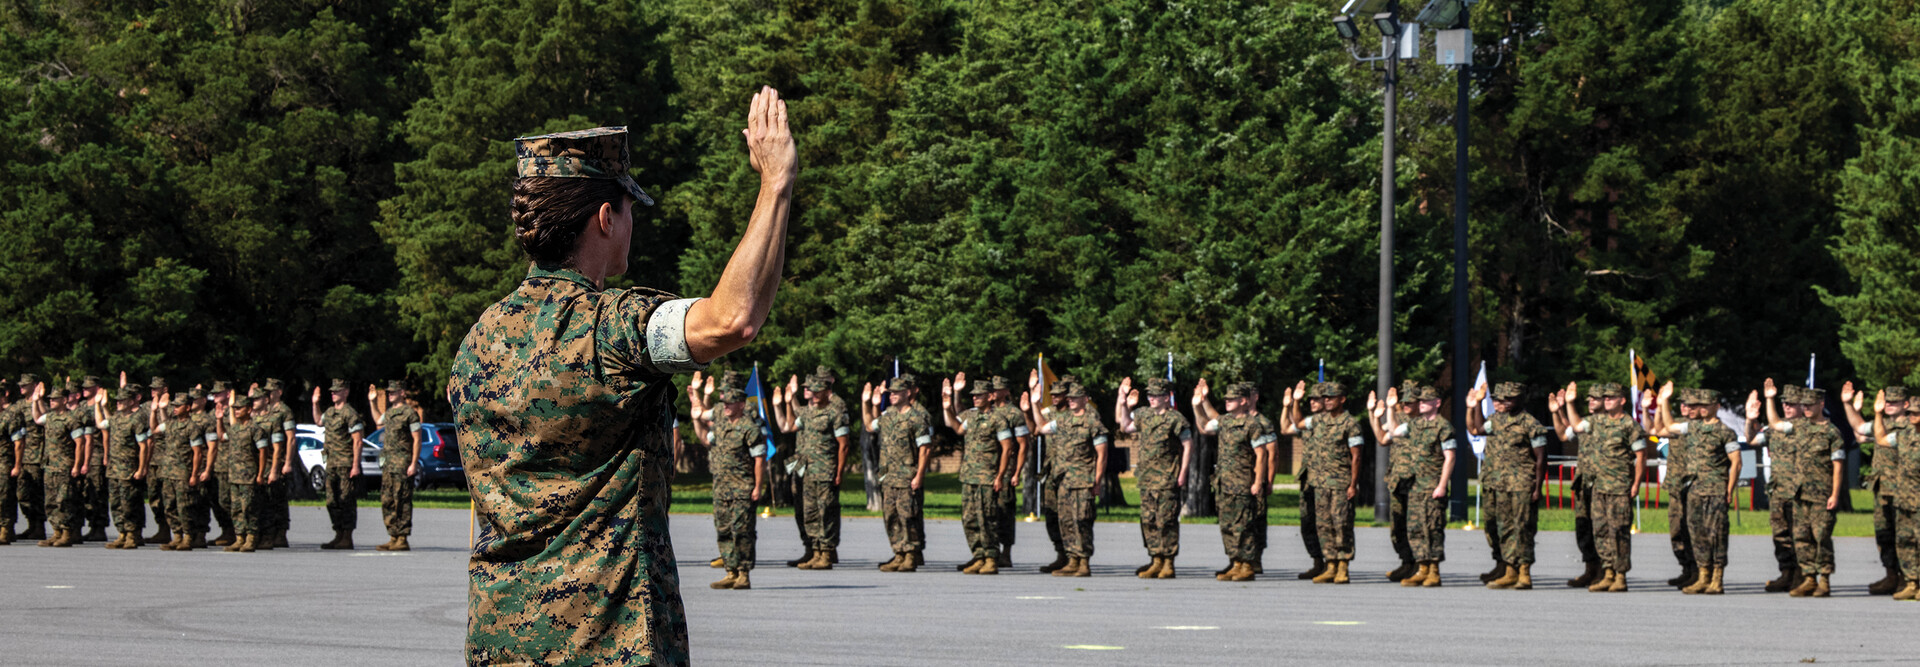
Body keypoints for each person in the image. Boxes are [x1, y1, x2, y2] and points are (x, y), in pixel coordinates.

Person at [452, 86, 795, 665]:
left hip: (500, 636)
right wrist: (775, 185)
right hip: (606, 641)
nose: (633, 223)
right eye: (631, 209)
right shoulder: (612, 327)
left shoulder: (477, 340)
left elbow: (482, 506)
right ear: (606, 218)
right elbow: (730, 321)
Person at [1650, 383, 1741, 594]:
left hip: (1715, 490)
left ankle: (1717, 578)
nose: (1700, 408)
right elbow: (1670, 426)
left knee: (1716, 535)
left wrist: (1730, 489)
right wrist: (1664, 401)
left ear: (1715, 406)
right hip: (1694, 490)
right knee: (1697, 534)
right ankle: (1702, 576)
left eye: (1704, 405)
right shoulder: (1693, 428)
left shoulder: (1725, 432)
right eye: (1698, 405)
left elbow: (1736, 463)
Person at [1559, 381, 1646, 592]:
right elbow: (1577, 426)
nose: (1606, 401)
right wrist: (1569, 404)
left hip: (1618, 487)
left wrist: (1636, 484)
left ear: (1622, 401)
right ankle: (1607, 573)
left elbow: (1641, 457)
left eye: (1611, 398)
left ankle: (1620, 575)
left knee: (1619, 532)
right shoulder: (1597, 421)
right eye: (1604, 398)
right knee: (1600, 531)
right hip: (1598, 487)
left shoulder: (1630, 426)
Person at [1761, 381, 1844, 597]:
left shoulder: (1832, 433)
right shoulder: (1799, 428)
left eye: (1810, 405)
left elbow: (1838, 467)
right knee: (1801, 537)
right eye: (1804, 406)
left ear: (1820, 404)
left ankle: (1824, 580)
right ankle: (1808, 578)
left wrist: (1835, 494)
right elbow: (1776, 424)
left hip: (1821, 495)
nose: (1806, 409)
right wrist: (1769, 398)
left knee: (1821, 537)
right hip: (1800, 493)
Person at [1370, 383, 1456, 587]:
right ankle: (1422, 568)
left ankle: (1433, 571)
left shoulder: (1444, 427)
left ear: (1436, 403)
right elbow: (1392, 432)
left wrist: (1442, 485)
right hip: (1415, 485)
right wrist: (1390, 409)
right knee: (1416, 528)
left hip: (1432, 484)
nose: (1422, 404)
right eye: (1421, 401)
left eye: (1425, 401)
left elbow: (1450, 457)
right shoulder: (1415, 425)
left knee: (1432, 528)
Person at [1467, 381, 1549, 590]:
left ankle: (1523, 573)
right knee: (1501, 527)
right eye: (1498, 399)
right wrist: (1476, 404)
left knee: (1522, 527)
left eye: (1508, 399)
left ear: (1520, 399)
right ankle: (1508, 569)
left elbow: (1541, 460)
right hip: (1497, 483)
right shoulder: (1496, 421)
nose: (1501, 403)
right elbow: (1476, 428)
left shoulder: (1531, 424)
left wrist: (1537, 488)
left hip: (1521, 483)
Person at [1281, 381, 1363, 584]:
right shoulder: (1318, 421)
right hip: (1319, 483)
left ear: (1342, 399)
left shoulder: (1350, 423)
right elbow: (1299, 423)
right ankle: (1330, 564)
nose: (1326, 401)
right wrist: (1296, 403)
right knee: (1323, 525)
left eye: (1331, 398)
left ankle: (1343, 565)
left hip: (1340, 482)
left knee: (1341, 524)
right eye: (1324, 398)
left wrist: (1353, 484)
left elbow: (1356, 456)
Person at [1027, 380, 1109, 578]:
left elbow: (1102, 454)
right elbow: (1042, 428)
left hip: (1083, 480)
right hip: (1063, 480)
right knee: (1066, 521)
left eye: (1075, 398)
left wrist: (1097, 481)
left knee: (1082, 520)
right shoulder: (1063, 421)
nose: (1071, 401)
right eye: (1069, 398)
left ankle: (1084, 562)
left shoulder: (1093, 423)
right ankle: (1072, 559)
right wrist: (1035, 404)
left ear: (1085, 400)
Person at [772, 367, 851, 570]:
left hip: (826, 470)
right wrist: (787, 402)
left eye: (817, 391)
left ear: (826, 391)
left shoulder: (835, 412)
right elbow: (789, 425)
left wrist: (839, 472)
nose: (814, 395)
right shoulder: (807, 413)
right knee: (810, 512)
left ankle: (826, 552)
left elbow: (844, 444)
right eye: (811, 391)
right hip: (806, 471)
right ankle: (816, 551)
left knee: (827, 511)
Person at [1116, 376, 1193, 579]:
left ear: (1167, 397)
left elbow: (1187, 445)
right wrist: (1124, 404)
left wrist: (1183, 471)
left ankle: (1168, 562)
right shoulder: (1143, 415)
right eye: (1149, 395)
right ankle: (1155, 559)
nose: (1151, 398)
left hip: (1167, 477)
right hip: (1147, 478)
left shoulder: (1176, 419)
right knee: (1148, 520)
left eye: (1156, 395)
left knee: (1166, 520)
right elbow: (1125, 426)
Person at [1194, 380, 1271, 582]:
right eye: (1227, 399)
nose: (1227, 402)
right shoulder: (1226, 421)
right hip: (1224, 482)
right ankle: (1236, 562)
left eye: (1232, 399)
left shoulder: (1253, 425)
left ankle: (1247, 565)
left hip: (1243, 481)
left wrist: (1258, 482)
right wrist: (1198, 403)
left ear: (1244, 401)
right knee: (1227, 524)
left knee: (1244, 525)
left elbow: (1262, 455)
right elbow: (1204, 426)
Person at [690, 384, 766, 590]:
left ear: (741, 404)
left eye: (730, 403)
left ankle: (743, 573)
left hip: (742, 488)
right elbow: (705, 439)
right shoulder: (720, 426)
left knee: (743, 531)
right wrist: (696, 412)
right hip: (721, 488)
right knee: (723, 530)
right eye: (724, 403)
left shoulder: (750, 428)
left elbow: (759, 459)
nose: (726, 406)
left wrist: (758, 486)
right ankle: (730, 572)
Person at [941, 373, 1015, 574]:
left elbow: (1007, 448)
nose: (975, 398)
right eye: (973, 395)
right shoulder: (971, 416)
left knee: (987, 518)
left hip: (987, 477)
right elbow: (956, 428)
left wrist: (1000, 476)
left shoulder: (998, 419)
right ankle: (979, 555)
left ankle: (992, 558)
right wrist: (947, 407)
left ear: (990, 396)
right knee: (969, 518)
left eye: (980, 395)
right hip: (969, 476)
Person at [863, 374, 934, 572]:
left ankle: (911, 555)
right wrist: (865, 403)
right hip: (889, 477)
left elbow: (925, 449)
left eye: (896, 392)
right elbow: (870, 425)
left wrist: (919, 475)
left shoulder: (917, 418)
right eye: (890, 393)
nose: (892, 395)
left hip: (907, 476)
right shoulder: (888, 416)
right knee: (891, 516)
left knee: (907, 516)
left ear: (907, 392)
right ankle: (898, 553)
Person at [1843, 382, 1907, 595]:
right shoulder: (1883, 423)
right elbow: (1860, 429)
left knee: (1906, 536)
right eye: (1887, 401)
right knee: (1884, 535)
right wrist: (1848, 405)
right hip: (1882, 489)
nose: (1888, 405)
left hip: (1905, 490)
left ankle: (1909, 579)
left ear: (1905, 404)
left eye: (1894, 402)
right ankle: (1891, 576)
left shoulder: (1911, 427)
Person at [1870, 389, 1919, 600]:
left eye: (1917, 413)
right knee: (1905, 541)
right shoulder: (1903, 435)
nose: (1913, 417)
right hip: (1904, 499)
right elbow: (1880, 439)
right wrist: (1879, 414)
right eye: (1911, 413)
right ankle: (1912, 583)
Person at [95, 383, 152, 548]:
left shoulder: (136, 420)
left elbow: (144, 446)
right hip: (114, 469)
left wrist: (142, 468)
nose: (118, 402)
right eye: (118, 400)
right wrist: (99, 405)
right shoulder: (116, 418)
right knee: (116, 503)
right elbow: (100, 424)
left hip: (129, 469)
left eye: (122, 400)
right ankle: (122, 533)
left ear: (131, 401)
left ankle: (133, 535)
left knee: (130, 503)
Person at [369, 380, 422, 552]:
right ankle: (392, 536)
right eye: (389, 392)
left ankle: (402, 538)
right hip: (388, 464)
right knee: (387, 500)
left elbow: (417, 439)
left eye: (393, 392)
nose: (390, 394)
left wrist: (413, 463)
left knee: (402, 500)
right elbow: (378, 419)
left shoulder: (409, 414)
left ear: (402, 393)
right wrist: (372, 401)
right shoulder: (390, 412)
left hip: (402, 464)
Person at [314, 379, 366, 550]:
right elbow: (318, 421)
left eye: (337, 391)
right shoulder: (329, 412)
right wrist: (315, 404)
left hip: (345, 463)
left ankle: (347, 536)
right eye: (332, 391)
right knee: (331, 500)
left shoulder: (350, 413)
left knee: (346, 500)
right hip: (331, 464)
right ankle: (338, 533)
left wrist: (355, 465)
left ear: (346, 392)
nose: (333, 393)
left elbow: (358, 441)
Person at [153, 392, 207, 551]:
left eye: (178, 406)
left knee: (185, 507)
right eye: (174, 406)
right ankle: (177, 535)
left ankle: (188, 536)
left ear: (188, 408)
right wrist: (157, 410)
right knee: (169, 505)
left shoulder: (192, 427)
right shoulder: (170, 424)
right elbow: (155, 429)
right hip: (168, 472)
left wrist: (194, 474)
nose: (175, 408)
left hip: (183, 473)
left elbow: (198, 452)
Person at [989, 376, 1032, 567]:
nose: (993, 392)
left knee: (1005, 511)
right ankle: (989, 552)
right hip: (986, 468)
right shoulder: (985, 412)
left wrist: (1016, 472)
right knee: (987, 512)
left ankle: (1006, 552)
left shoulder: (1014, 413)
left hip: (1006, 470)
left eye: (997, 389)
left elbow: (1024, 445)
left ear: (1006, 391)